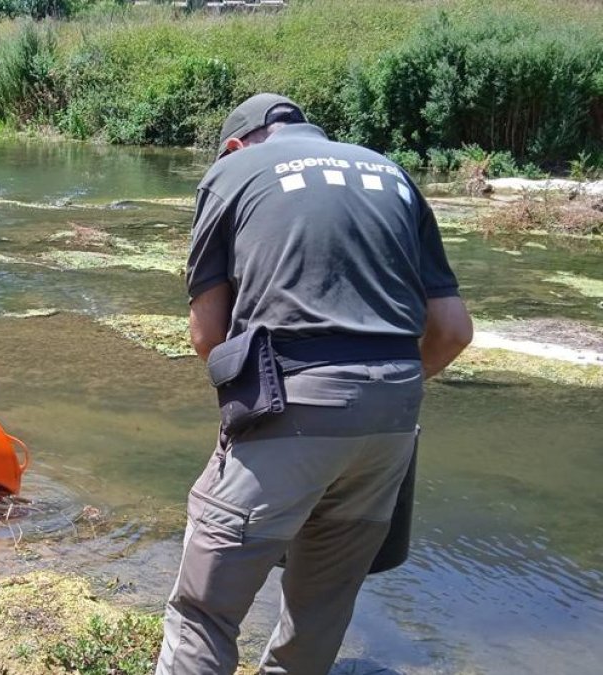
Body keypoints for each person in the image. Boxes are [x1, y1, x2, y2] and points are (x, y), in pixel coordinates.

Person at [158, 94, 474, 674]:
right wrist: (374, 392)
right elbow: (453, 330)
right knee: (318, 613)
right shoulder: (393, 172)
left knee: (205, 612)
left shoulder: (230, 173)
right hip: (395, 415)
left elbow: (207, 334)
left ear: (235, 144)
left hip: (291, 403)